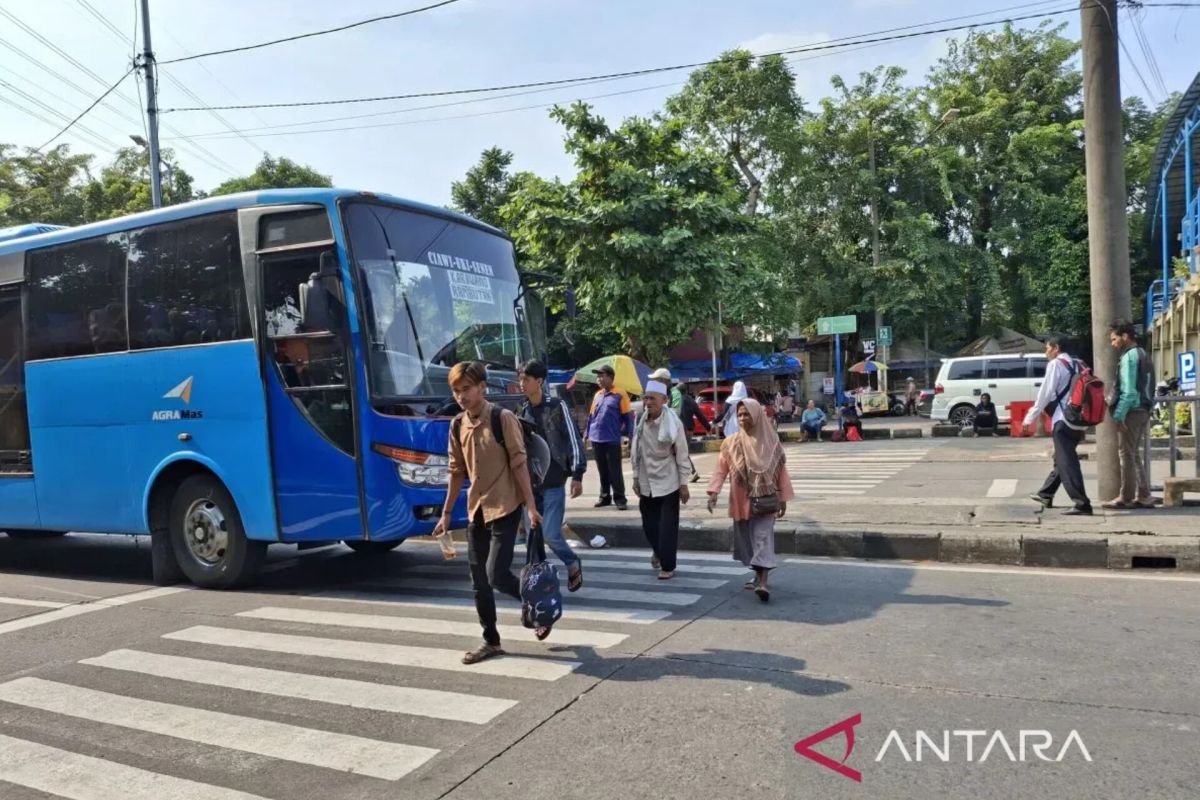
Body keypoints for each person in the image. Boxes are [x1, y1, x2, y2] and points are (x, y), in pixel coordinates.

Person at [434, 361, 544, 664]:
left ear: (482, 387)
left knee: (496, 574)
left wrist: (531, 507)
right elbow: (456, 471)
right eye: (456, 391)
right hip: (477, 510)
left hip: (506, 505)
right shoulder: (457, 425)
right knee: (478, 581)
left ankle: (535, 602)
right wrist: (446, 514)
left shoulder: (502, 418)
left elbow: (519, 463)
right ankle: (491, 641)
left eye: (466, 389)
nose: (461, 396)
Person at [707, 399, 793, 602]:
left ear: (757, 416)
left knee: (762, 538)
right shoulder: (730, 443)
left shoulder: (771, 442)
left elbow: (781, 472)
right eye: (740, 415)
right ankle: (757, 574)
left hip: (766, 501)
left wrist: (783, 498)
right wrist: (713, 492)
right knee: (748, 541)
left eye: (747, 414)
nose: (743, 418)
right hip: (741, 500)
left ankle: (763, 582)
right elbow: (721, 469)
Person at [517, 360, 588, 590]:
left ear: (539, 381)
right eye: (520, 379)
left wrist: (577, 474)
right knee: (532, 538)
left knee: (550, 534)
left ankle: (572, 562)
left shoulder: (557, 406)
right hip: (531, 485)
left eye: (526, 379)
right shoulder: (523, 410)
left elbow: (573, 439)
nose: (521, 383)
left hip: (554, 482)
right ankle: (538, 582)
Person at [631, 380, 692, 580]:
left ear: (664, 400)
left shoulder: (674, 423)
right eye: (646, 398)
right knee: (649, 525)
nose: (648, 402)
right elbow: (635, 450)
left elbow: (682, 453)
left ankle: (668, 565)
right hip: (646, 481)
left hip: (669, 481)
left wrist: (684, 484)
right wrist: (635, 477)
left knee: (667, 527)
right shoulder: (641, 421)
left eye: (652, 399)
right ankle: (658, 551)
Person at [1026, 336, 1092, 516]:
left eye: (1047, 348)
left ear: (1056, 348)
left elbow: (1045, 393)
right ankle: (1045, 494)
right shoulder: (1079, 363)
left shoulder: (1056, 364)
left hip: (1063, 419)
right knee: (1062, 459)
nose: (1046, 352)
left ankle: (1082, 504)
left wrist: (1029, 418)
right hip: (1078, 420)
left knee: (1067, 462)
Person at [1106, 321, 1155, 509]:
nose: (1113, 344)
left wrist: (1119, 416)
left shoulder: (1129, 358)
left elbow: (1129, 392)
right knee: (1133, 454)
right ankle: (1144, 495)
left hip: (1131, 412)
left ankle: (1125, 497)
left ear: (1125, 336)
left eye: (1114, 339)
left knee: (1126, 455)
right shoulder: (1143, 354)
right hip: (1143, 409)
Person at [586, 364, 635, 511]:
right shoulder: (597, 395)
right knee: (602, 470)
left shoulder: (620, 394)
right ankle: (605, 497)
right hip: (596, 438)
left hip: (612, 439)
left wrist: (631, 436)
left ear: (610, 377)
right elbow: (591, 416)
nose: (599, 379)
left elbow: (628, 417)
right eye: (598, 376)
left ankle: (620, 498)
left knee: (615, 470)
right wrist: (586, 434)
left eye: (602, 376)